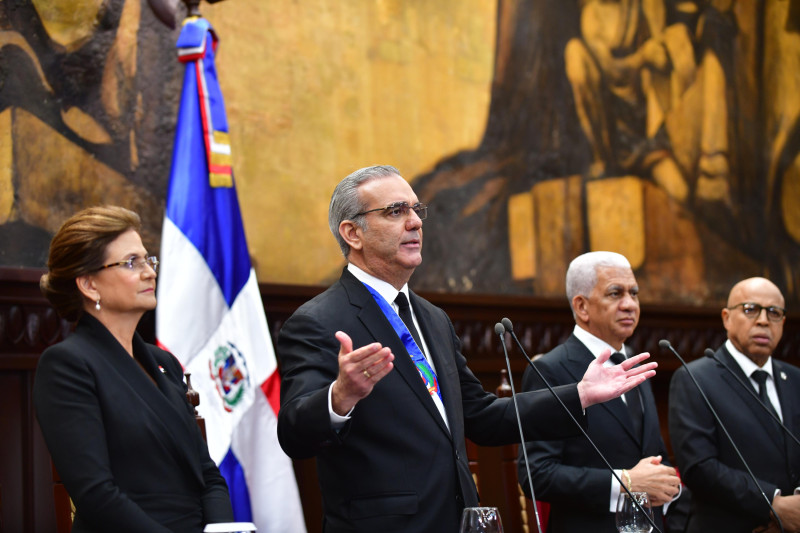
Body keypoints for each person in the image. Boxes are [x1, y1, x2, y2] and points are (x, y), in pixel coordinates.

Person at [276, 165, 658, 533]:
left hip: (458, 519)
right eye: (395, 211)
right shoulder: (318, 321)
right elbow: (294, 434)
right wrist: (339, 397)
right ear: (352, 233)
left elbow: (483, 416)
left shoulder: (433, 318)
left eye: (415, 209)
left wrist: (579, 395)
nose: (415, 222)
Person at [33, 206, 234, 533]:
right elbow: (96, 495)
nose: (150, 272)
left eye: (148, 259)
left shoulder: (164, 363)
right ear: (89, 285)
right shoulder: (67, 366)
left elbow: (208, 475)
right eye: (131, 262)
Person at [516, 251, 680, 532]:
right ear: (582, 307)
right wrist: (625, 483)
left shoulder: (634, 364)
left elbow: (652, 456)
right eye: (615, 293)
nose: (630, 304)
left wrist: (667, 486)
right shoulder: (551, 370)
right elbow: (536, 474)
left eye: (634, 293)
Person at [669, 277, 800, 533]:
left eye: (774, 312)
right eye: (750, 309)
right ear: (727, 317)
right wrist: (772, 505)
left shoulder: (796, 379)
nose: (763, 320)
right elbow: (699, 467)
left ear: (783, 323)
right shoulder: (694, 378)